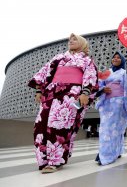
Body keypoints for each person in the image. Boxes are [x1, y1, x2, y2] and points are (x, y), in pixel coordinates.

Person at [28, 33, 98, 173]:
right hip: (51, 93)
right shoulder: (59, 57)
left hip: (71, 95)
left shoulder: (87, 60)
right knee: (40, 126)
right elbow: (44, 72)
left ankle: (55, 160)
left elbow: (90, 76)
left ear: (83, 43)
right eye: (70, 39)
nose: (71, 41)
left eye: (75, 39)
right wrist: (38, 90)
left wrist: (85, 93)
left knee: (60, 126)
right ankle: (43, 159)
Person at [94, 51, 127, 165]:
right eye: (114, 57)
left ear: (122, 61)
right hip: (106, 103)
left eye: (118, 58)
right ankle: (106, 153)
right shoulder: (106, 73)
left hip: (119, 103)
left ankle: (109, 154)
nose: (115, 59)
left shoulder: (124, 73)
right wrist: (103, 89)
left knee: (116, 129)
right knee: (105, 129)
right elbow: (98, 86)